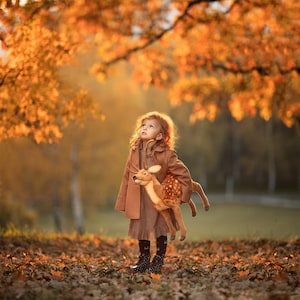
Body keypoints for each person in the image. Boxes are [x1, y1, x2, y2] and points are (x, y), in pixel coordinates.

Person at [115, 111, 193, 274]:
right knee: (142, 228)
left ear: (159, 136)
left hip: (159, 199)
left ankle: (158, 260)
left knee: (160, 228)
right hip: (139, 199)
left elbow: (182, 172)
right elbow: (127, 175)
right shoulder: (135, 150)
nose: (144, 128)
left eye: (150, 126)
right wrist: (124, 199)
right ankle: (143, 260)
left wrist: (185, 194)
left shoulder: (166, 154)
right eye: (143, 125)